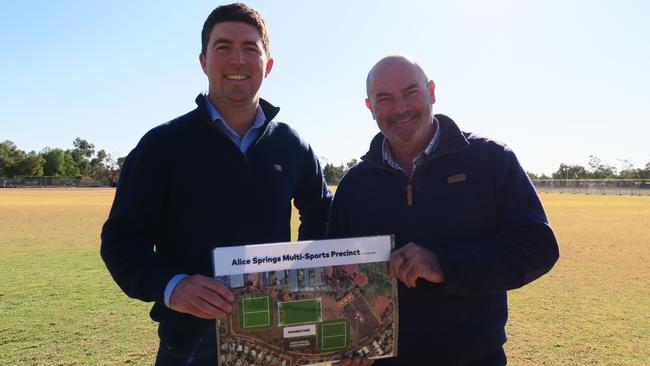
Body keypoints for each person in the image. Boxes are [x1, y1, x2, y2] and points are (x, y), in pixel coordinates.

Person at [100, 4, 333, 365]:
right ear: (203, 61)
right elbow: (121, 242)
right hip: (189, 344)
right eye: (223, 47)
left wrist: (301, 272)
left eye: (250, 49)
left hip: (273, 337)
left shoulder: (292, 145)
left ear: (268, 65)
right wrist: (173, 286)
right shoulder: (162, 145)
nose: (237, 60)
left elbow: (322, 215)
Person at [327, 55, 560, 365]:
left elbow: (538, 249)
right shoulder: (354, 185)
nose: (400, 108)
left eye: (411, 92)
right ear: (370, 107)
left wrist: (444, 265)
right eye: (385, 98)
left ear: (432, 92)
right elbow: (336, 278)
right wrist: (345, 342)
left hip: (475, 359)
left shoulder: (491, 159)